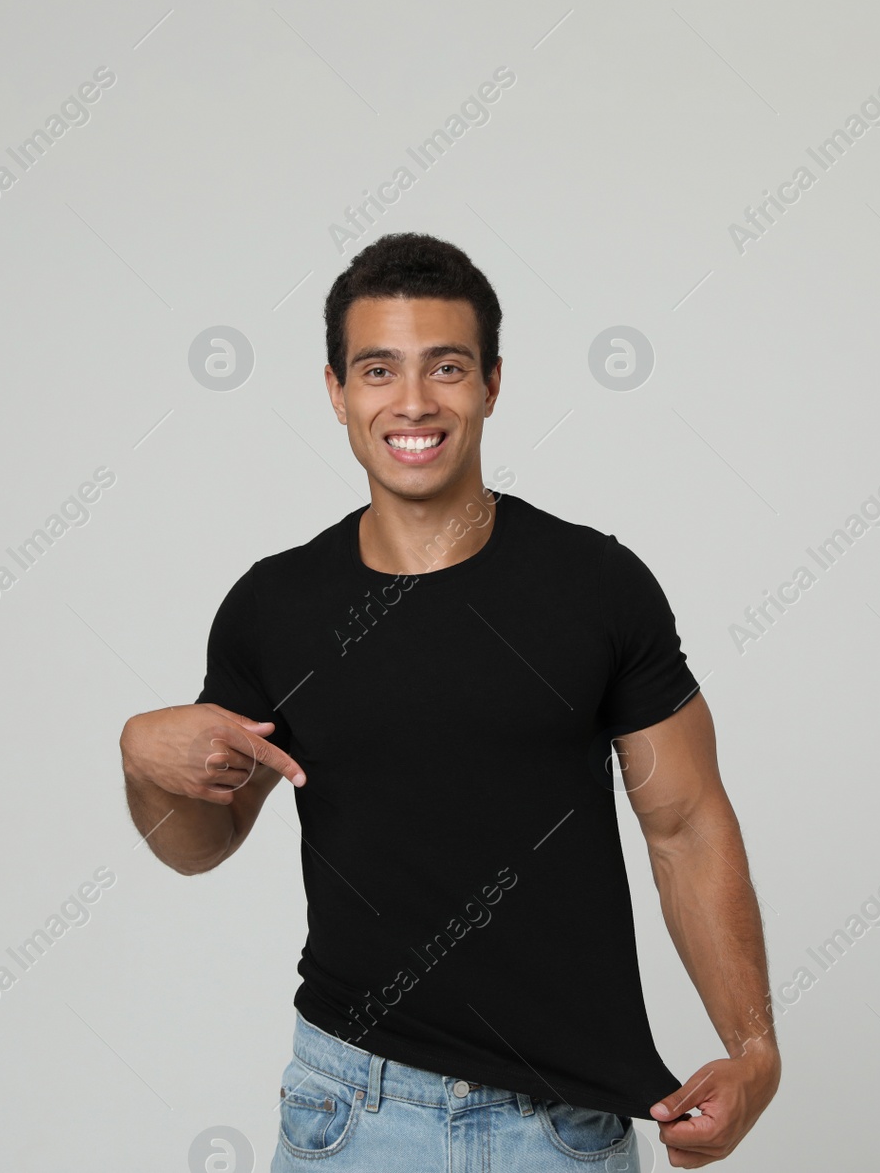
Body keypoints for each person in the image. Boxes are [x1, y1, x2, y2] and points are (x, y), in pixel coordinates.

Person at [121, 233, 780, 1170]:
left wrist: (754, 1048)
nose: (414, 401)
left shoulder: (596, 584)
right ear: (336, 391)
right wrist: (140, 761)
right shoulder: (276, 607)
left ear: (493, 384)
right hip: (350, 1111)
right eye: (378, 369)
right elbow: (200, 844)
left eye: (448, 367)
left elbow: (685, 824)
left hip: (561, 1123)